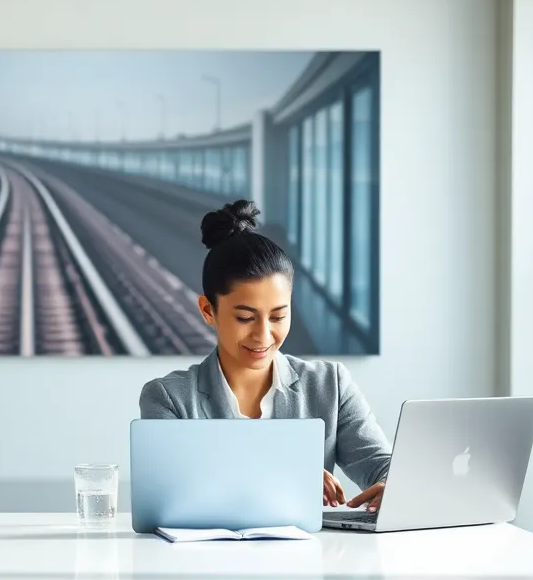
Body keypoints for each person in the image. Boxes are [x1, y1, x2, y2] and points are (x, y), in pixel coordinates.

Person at [138, 200, 389, 510]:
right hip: (204, 557)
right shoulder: (168, 398)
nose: (263, 335)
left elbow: (383, 467)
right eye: (245, 318)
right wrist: (285, 472)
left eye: (278, 316)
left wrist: (391, 488)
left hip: (309, 557)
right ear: (207, 310)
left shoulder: (330, 386)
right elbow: (167, 493)